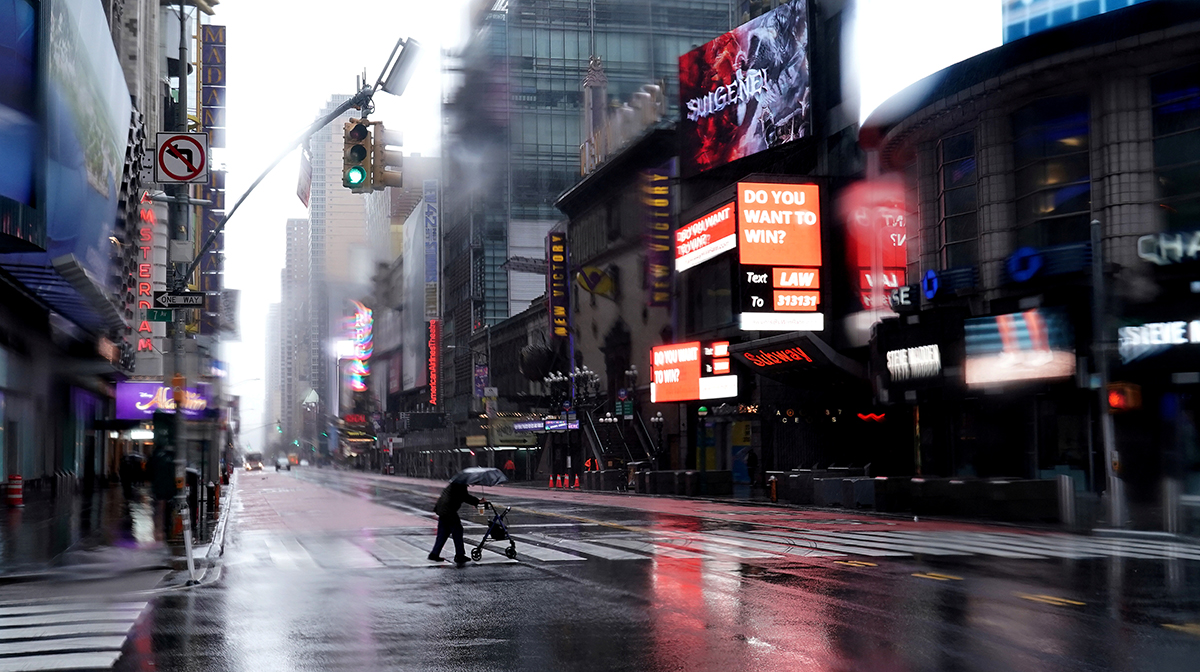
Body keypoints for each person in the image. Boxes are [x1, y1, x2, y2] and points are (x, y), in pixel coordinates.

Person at [428, 481, 484, 565]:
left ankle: (434, 554)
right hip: (448, 510)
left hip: (442, 509)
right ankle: (459, 555)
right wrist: (478, 501)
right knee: (457, 531)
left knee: (443, 533)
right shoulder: (460, 485)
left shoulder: (455, 484)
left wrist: (477, 501)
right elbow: (465, 497)